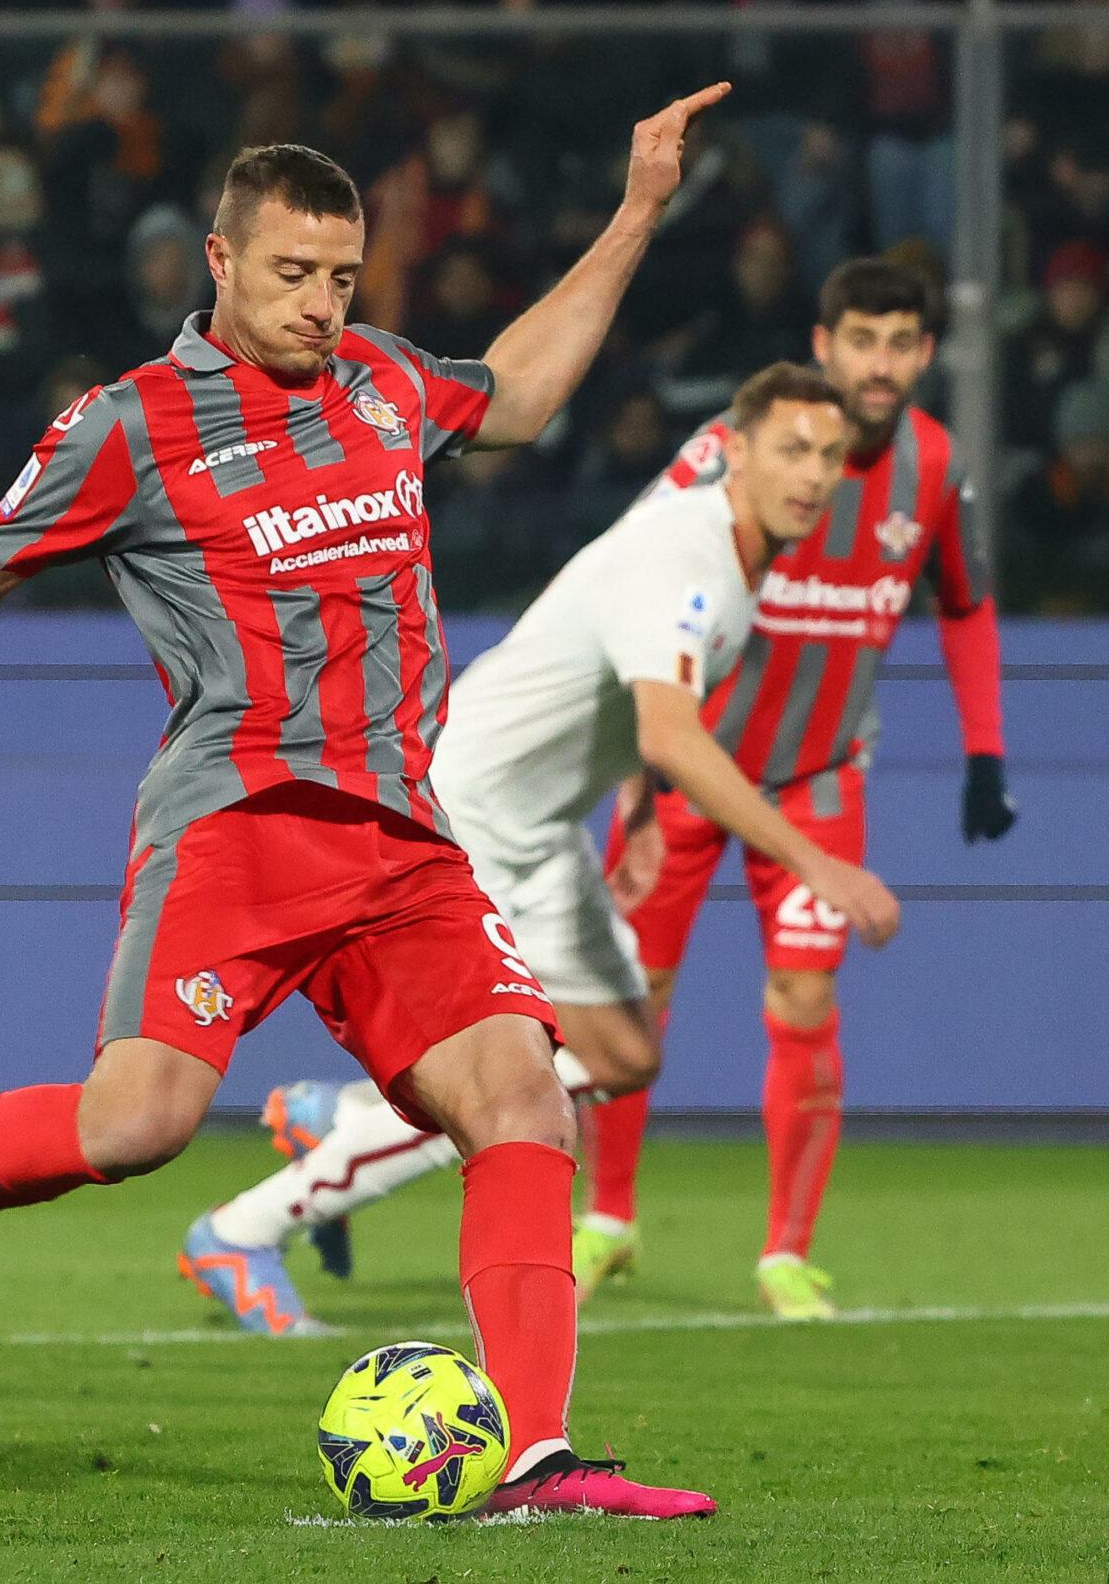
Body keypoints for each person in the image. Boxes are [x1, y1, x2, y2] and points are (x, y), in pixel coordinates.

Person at [0, 93, 738, 1519]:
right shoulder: (131, 426)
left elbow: (521, 392)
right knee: (134, 1126)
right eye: (292, 275)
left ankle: (535, 1458)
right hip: (241, 826)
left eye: (343, 279)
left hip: (400, 842)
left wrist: (638, 207)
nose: (322, 306)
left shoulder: (387, 384)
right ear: (218, 263)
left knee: (524, 1101)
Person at [265, 258, 1009, 1322]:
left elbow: (968, 604)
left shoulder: (934, 467)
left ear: (926, 355)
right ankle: (593, 1214)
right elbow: (648, 611)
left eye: (900, 343)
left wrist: (984, 749)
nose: (878, 364)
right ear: (824, 341)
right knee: (615, 1017)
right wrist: (647, 790)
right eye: (860, 341)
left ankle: (784, 1252)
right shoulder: (727, 464)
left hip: (810, 772)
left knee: (792, 998)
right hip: (678, 773)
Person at [179, 361, 898, 1333]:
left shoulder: (737, 558)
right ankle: (243, 1228)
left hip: (538, 825)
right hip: (464, 810)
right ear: (732, 450)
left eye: (826, 454)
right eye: (790, 449)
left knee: (619, 1049)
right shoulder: (686, 556)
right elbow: (670, 733)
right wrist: (818, 860)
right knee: (506, 1080)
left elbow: (636, 709)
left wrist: (636, 810)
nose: (811, 473)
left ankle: (346, 1120)